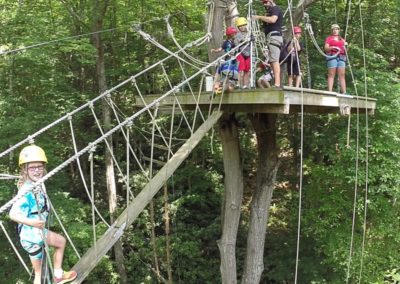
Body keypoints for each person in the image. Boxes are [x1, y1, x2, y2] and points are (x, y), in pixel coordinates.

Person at [9, 145, 77, 284]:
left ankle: (57, 275)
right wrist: (33, 222)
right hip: (32, 234)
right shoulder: (26, 191)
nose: (37, 170)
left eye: (39, 167)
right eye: (32, 168)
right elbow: (13, 214)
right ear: (25, 170)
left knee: (38, 275)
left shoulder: (37, 183)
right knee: (61, 242)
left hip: (32, 236)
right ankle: (58, 275)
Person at [253, 0, 283, 88]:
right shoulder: (268, 12)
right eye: (263, 3)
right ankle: (275, 83)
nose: (264, 4)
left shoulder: (275, 9)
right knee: (272, 61)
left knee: (274, 60)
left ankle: (277, 83)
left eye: (266, 2)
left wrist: (259, 17)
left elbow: (273, 20)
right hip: (270, 37)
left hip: (274, 36)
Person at [211, 27, 238, 94]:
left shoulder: (232, 42)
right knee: (227, 73)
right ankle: (218, 87)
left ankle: (227, 86)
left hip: (232, 60)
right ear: (230, 35)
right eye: (234, 34)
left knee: (231, 74)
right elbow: (221, 49)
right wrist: (215, 50)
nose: (235, 35)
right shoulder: (227, 42)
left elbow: (221, 49)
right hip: (229, 60)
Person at [324, 23, 348, 94]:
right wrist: (333, 47)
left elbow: (346, 51)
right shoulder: (329, 39)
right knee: (331, 74)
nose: (335, 30)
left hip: (341, 57)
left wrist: (346, 47)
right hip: (333, 56)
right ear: (332, 30)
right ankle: (330, 91)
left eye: (336, 29)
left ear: (339, 30)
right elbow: (326, 48)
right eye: (333, 29)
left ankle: (344, 92)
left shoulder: (342, 40)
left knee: (342, 75)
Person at [235, 17, 251, 89]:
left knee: (246, 70)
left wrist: (252, 37)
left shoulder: (249, 33)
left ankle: (245, 85)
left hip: (248, 54)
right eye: (240, 26)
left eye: (243, 25)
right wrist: (249, 39)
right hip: (241, 53)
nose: (242, 27)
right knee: (240, 69)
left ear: (246, 25)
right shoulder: (238, 34)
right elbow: (243, 40)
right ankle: (238, 83)